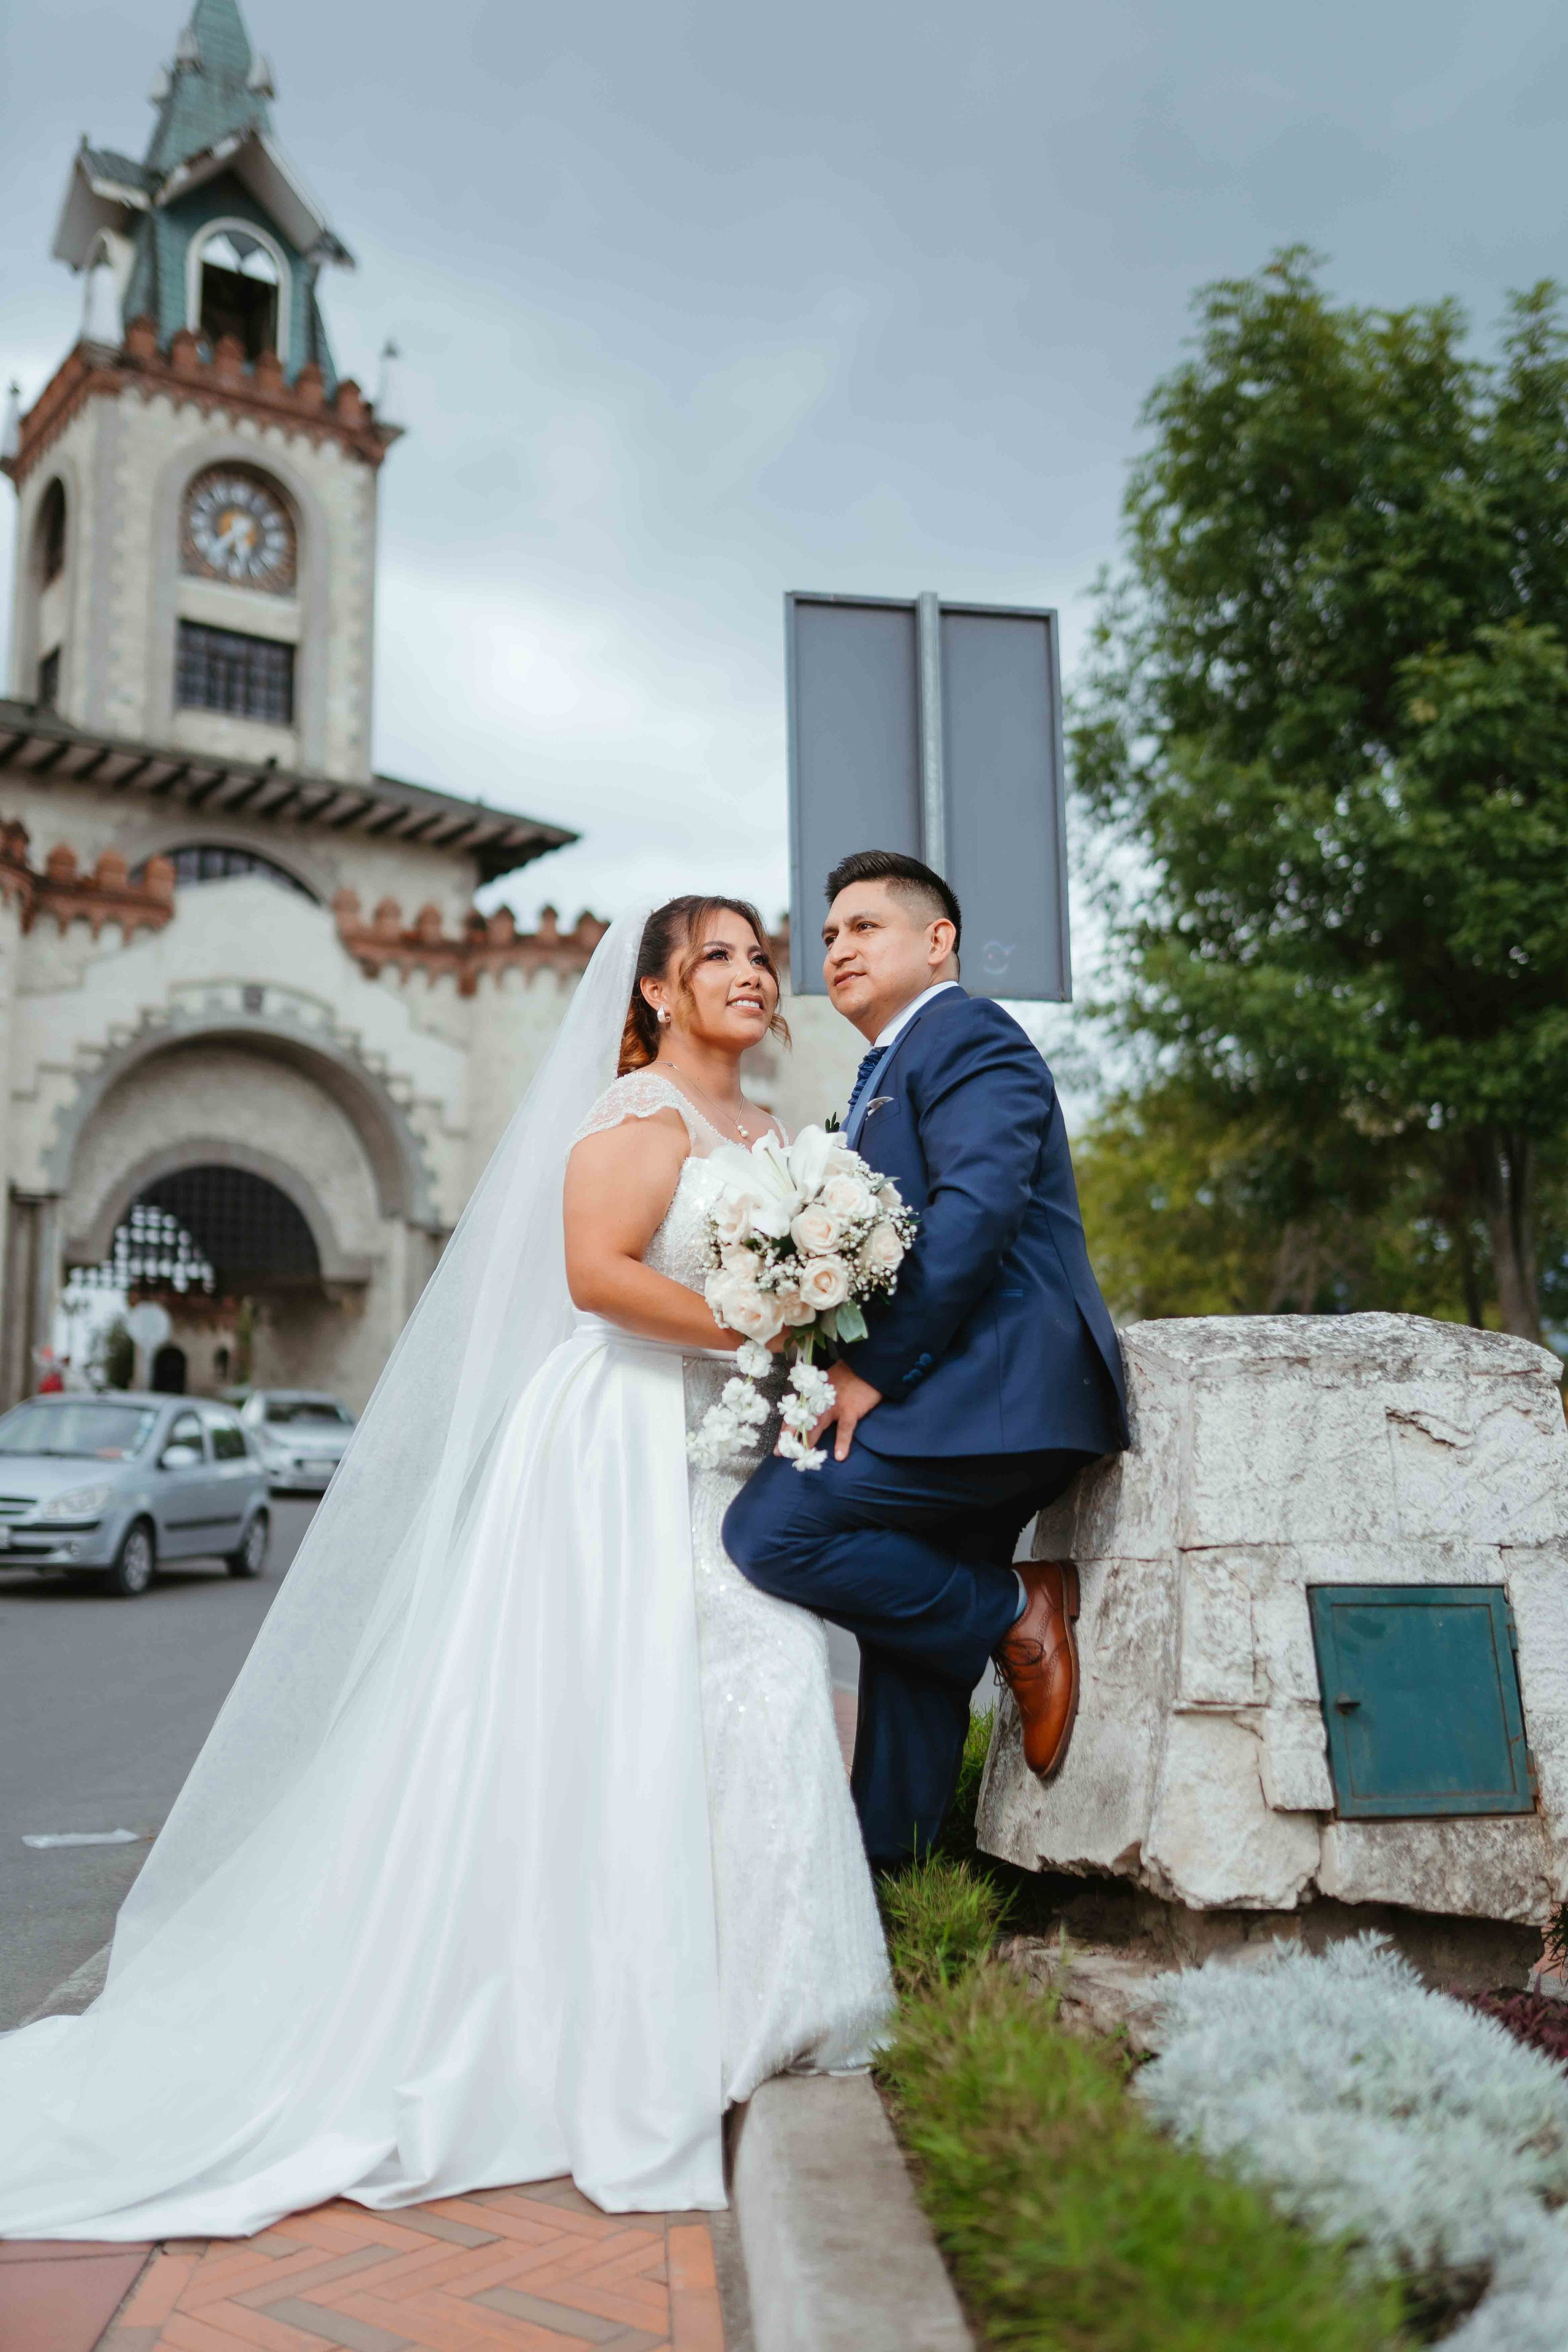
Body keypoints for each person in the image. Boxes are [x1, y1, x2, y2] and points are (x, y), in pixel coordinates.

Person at [0, 897, 889, 2241]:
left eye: (760, 955)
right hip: (619, 1444)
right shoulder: (634, 1117)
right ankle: (611, 2014)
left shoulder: (786, 1143)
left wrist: (807, 1336)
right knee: (636, 1700)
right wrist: (755, 1318)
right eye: (716, 955)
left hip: (722, 1449)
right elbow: (594, 1275)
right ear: (651, 993)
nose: (751, 974)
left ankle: (756, 2002)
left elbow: (799, 1302)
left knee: (746, 1677)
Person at [724, 850, 1128, 1869]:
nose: (838, 950)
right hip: (965, 1390)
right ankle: (897, 1895)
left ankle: (1014, 1611)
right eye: (828, 936)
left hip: (999, 1386)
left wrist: (871, 1372)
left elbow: (977, 1215)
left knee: (774, 1527)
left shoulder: (969, 1035)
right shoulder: (883, 1071)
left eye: (866, 928)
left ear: (937, 941)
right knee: (908, 1652)